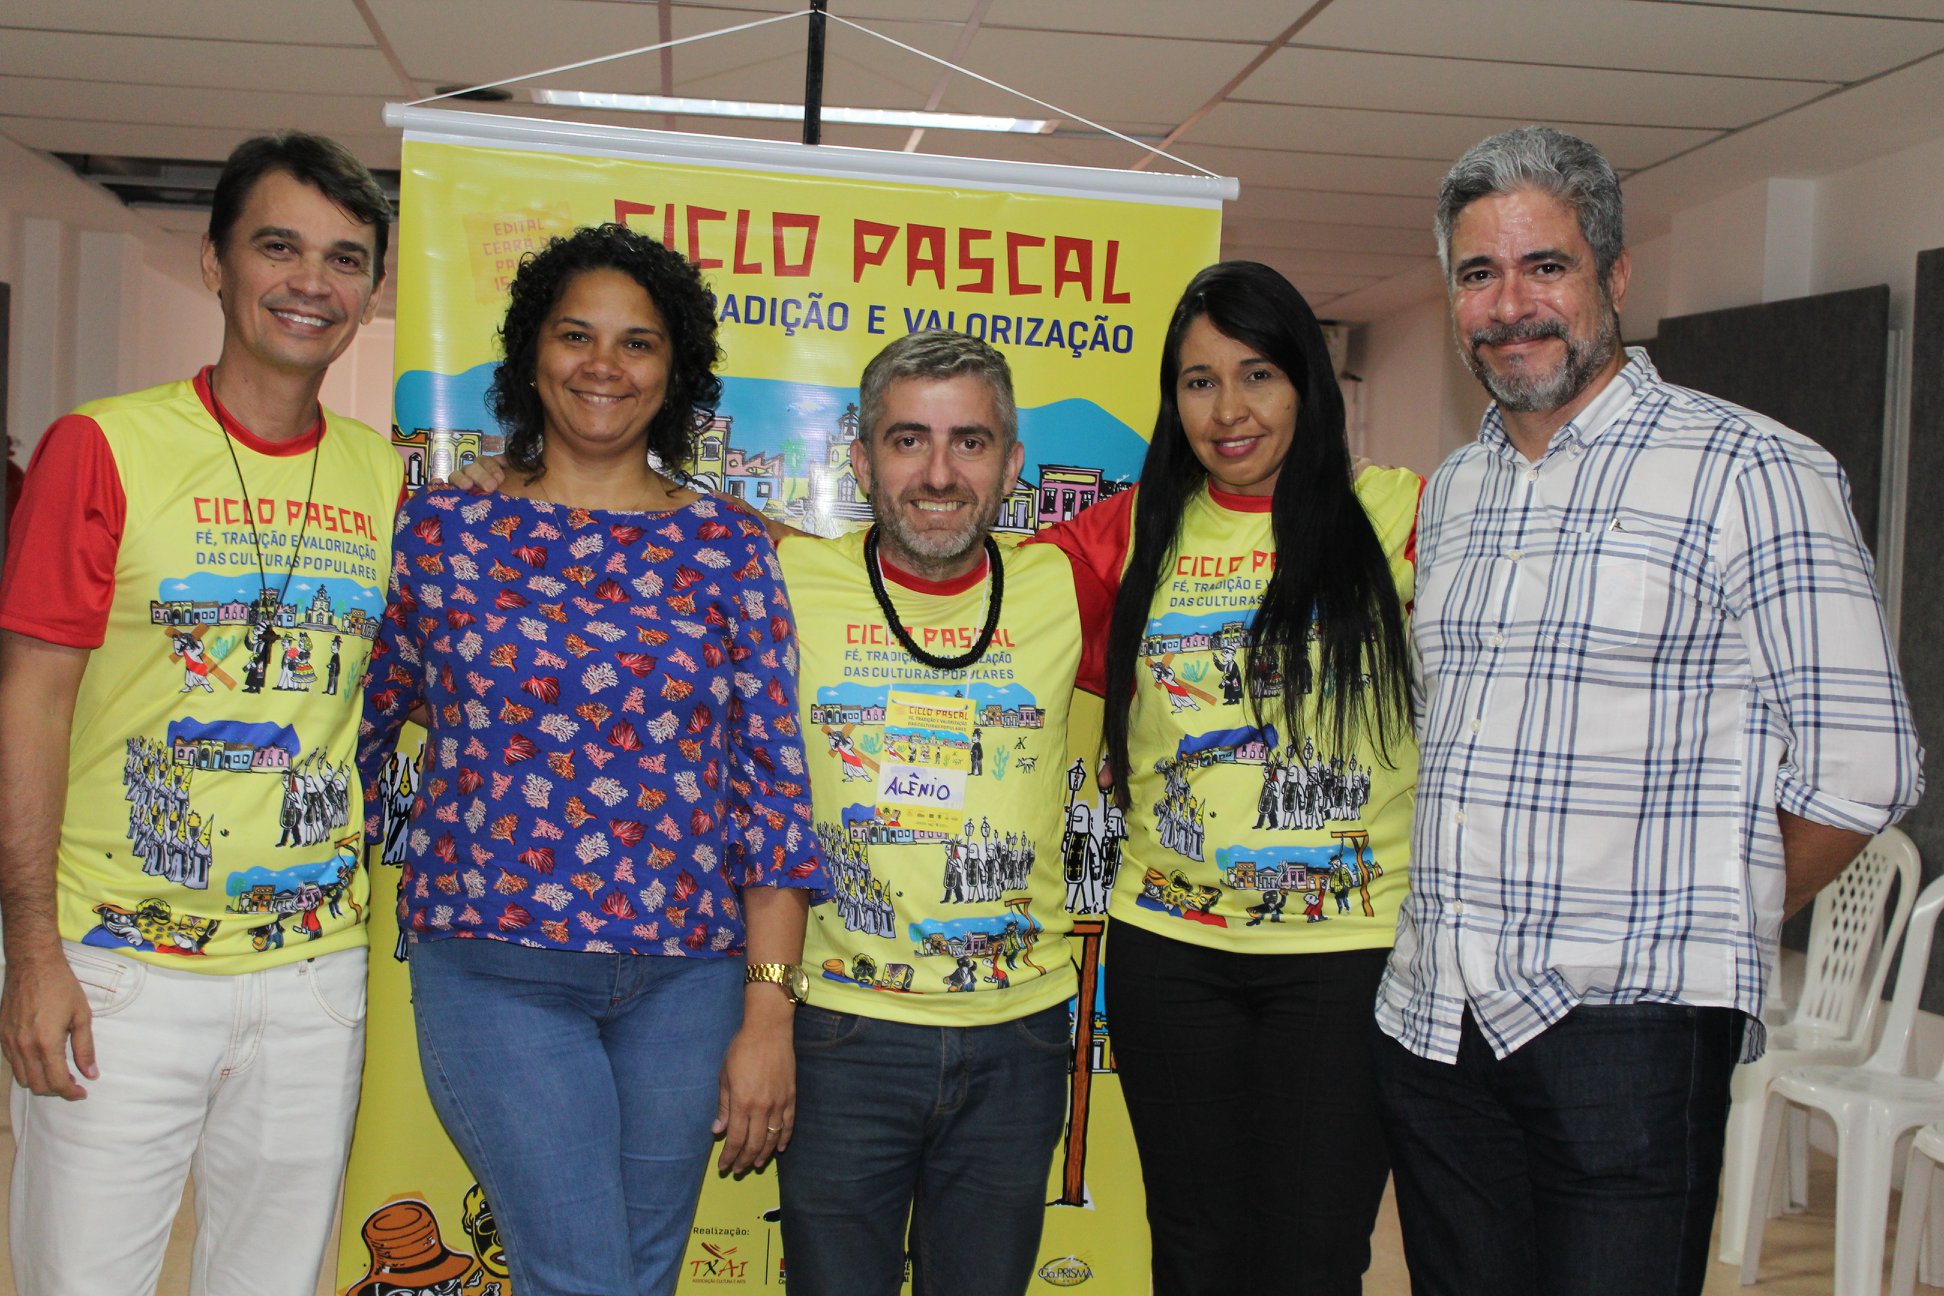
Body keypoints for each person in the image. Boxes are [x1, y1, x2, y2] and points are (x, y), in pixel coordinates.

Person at [1370, 126, 1924, 1296]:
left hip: (1628, 1037)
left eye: (1546, 266)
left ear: (1615, 276)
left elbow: (1864, 771)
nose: (1510, 305)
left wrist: (1705, 912)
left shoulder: (1751, 472)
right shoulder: (1458, 491)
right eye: (1479, 274)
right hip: (1436, 1024)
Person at [356, 222, 826, 1296]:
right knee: (582, 1276)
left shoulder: (730, 549)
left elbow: (771, 788)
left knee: (638, 1277)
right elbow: (365, 716)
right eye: (576, 335)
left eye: (637, 342)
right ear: (531, 354)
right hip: (496, 965)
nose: (603, 365)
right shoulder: (445, 530)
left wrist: (769, 1013)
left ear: (675, 371)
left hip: (686, 982)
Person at [0, 131, 401, 1295]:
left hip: (313, 977)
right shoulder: (102, 449)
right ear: (217, 264)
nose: (311, 282)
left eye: (344, 259)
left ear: (371, 292)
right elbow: (31, 706)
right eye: (279, 247)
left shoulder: (386, 481)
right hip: (118, 972)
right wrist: (32, 953)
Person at [1041, 261, 1420, 1295]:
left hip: (1343, 958)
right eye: (1199, 381)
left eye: (1258, 375)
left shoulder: (1399, 514)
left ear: (1307, 381)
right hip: (1169, 954)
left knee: (1312, 1254)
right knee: (1195, 1250)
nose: (1229, 410)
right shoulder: (1130, 530)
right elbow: (962, 588)